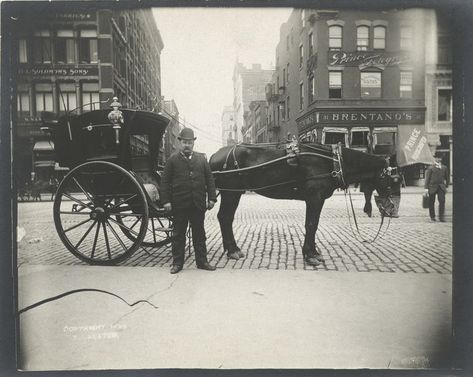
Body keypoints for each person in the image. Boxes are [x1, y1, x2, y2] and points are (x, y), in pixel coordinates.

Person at [161, 127, 218, 274]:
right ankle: (177, 263)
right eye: (184, 142)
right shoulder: (172, 160)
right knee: (178, 234)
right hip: (180, 204)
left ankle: (202, 261)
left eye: (190, 142)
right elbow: (165, 182)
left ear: (193, 143)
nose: (187, 145)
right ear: (180, 143)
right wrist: (166, 201)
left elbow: (209, 179)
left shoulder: (201, 159)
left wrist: (211, 198)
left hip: (198, 204)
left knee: (199, 234)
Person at [424, 152, 449, 222]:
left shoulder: (444, 168)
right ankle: (432, 217)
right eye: (437, 158)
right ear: (434, 158)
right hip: (432, 187)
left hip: (441, 187)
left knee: (442, 201)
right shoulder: (431, 168)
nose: (438, 159)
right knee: (431, 202)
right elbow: (427, 179)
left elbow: (447, 178)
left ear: (441, 159)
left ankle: (441, 217)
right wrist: (426, 188)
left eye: (439, 158)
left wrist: (446, 186)